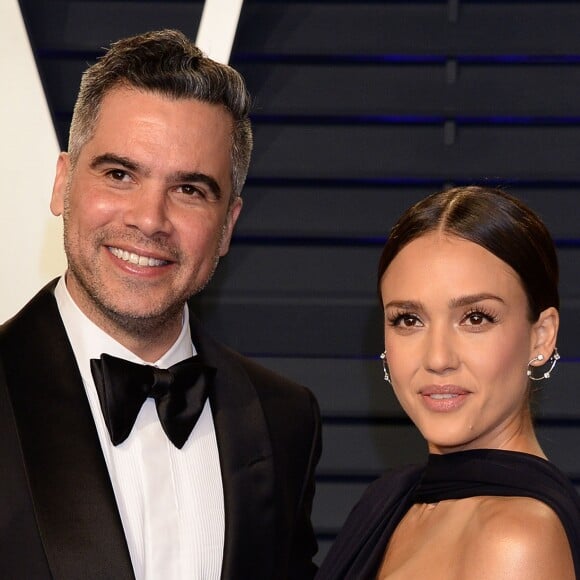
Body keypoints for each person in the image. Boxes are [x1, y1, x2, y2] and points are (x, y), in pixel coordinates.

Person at [0, 29, 321, 580]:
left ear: (227, 227)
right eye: (120, 174)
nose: (149, 219)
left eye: (190, 190)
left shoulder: (284, 420)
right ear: (63, 183)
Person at [317, 186, 580, 579]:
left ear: (540, 337)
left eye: (475, 318)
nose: (438, 359)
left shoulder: (516, 540)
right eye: (409, 319)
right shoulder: (393, 500)